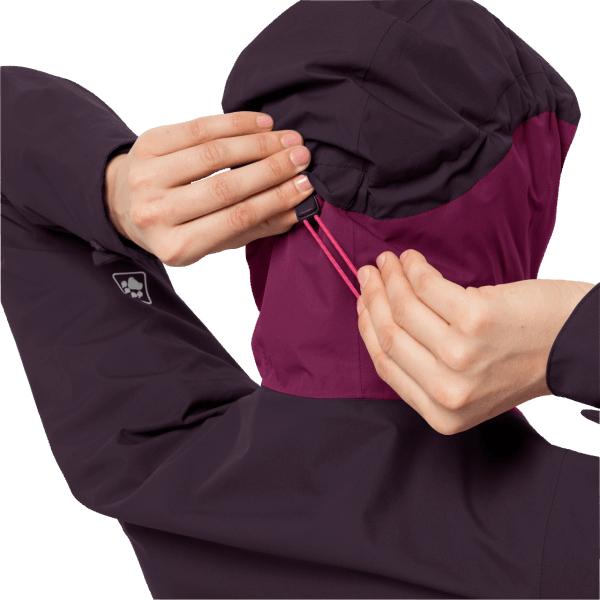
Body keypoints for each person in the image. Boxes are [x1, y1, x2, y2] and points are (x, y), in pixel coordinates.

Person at [1, 2, 598, 599]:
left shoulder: (158, 462)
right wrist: (564, 337)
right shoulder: (565, 534)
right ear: (534, 206)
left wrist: (114, 190)